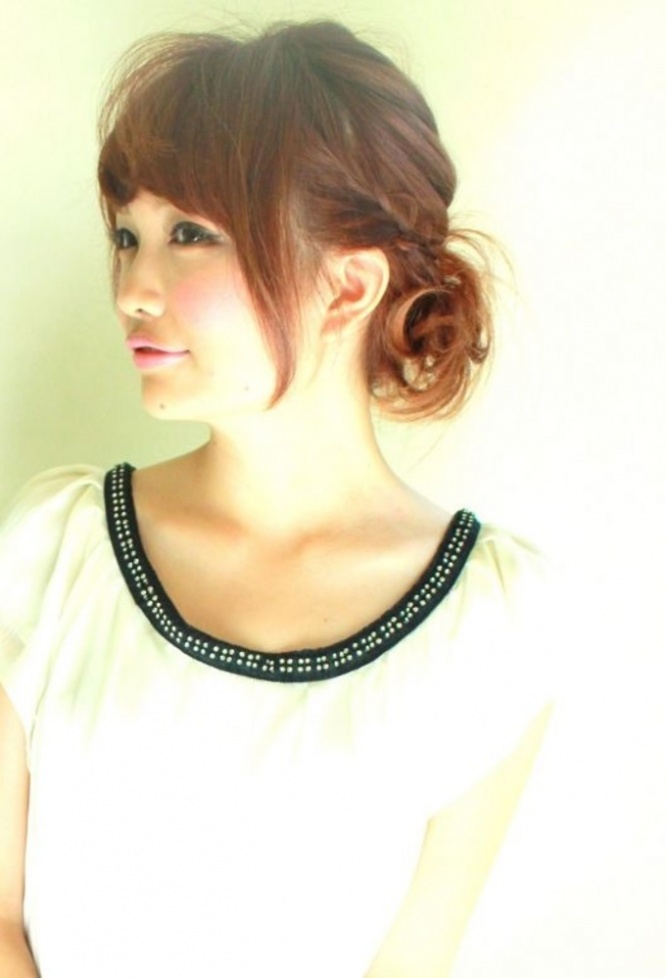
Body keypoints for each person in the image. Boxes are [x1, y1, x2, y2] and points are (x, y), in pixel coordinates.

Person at [0, 20, 554, 978]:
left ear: (347, 286)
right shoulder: (58, 547)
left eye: (189, 234)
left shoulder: (491, 616)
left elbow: (411, 963)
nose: (133, 288)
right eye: (127, 236)